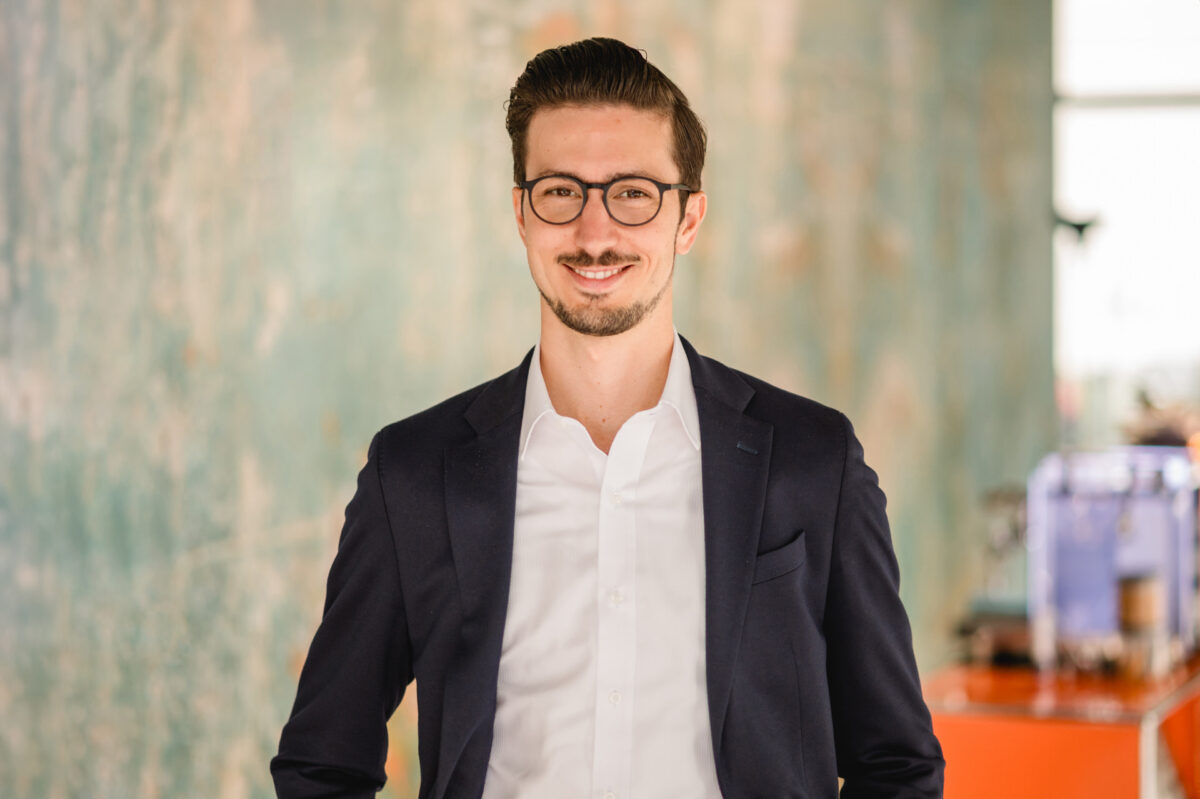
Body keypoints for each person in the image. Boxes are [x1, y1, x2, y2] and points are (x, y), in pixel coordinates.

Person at [271, 36, 944, 799]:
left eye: (633, 193)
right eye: (561, 191)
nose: (595, 234)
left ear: (688, 218)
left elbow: (898, 764)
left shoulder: (812, 461)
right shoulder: (414, 474)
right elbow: (322, 765)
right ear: (522, 213)